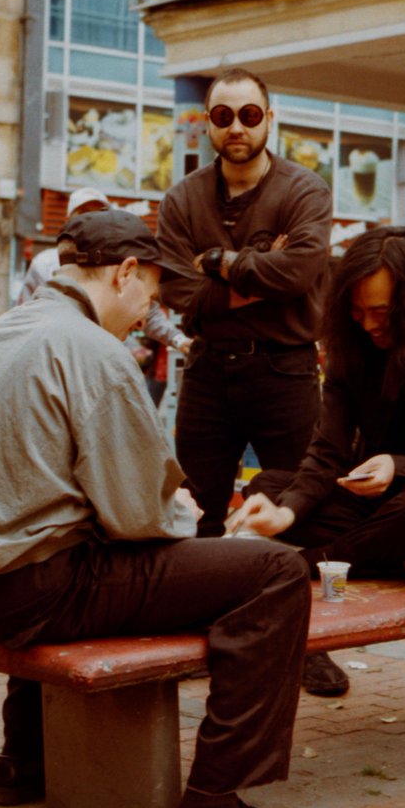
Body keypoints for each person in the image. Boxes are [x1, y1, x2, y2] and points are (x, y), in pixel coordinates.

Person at [0, 210, 325, 808]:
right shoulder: (93, 350)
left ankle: (24, 760)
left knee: (58, 534)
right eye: (150, 299)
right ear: (125, 274)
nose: (145, 316)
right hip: (37, 587)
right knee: (274, 571)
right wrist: (178, 508)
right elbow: (137, 517)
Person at [227, 226, 405, 596]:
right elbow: (327, 454)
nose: (367, 324)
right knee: (268, 488)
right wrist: (284, 514)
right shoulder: (351, 352)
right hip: (381, 509)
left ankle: (315, 562)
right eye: (356, 311)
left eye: (380, 312)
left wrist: (399, 468)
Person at [156, 69, 331, 541]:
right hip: (208, 370)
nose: (237, 126)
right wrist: (263, 271)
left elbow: (300, 273)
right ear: (208, 123)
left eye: (249, 115)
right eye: (224, 115)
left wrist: (222, 264)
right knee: (192, 509)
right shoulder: (181, 199)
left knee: (298, 498)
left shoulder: (304, 191)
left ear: (268, 119)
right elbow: (176, 292)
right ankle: (201, 599)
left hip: (285, 369)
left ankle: (290, 601)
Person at [19, 185, 191, 357]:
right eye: (84, 211)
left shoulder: (118, 261)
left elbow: (142, 311)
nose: (91, 217)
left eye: (100, 212)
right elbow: (27, 315)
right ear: (69, 218)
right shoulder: (45, 263)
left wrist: (177, 340)